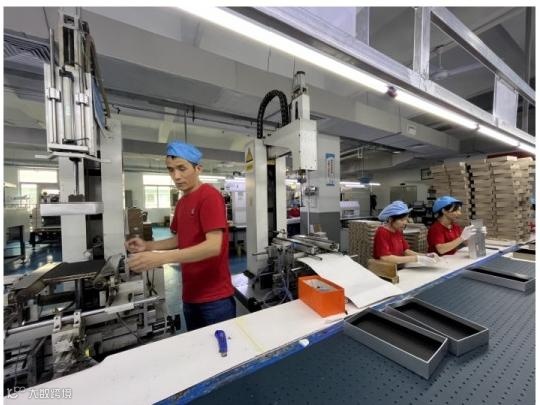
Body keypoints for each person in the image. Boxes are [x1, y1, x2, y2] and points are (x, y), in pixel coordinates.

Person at [125, 140, 235, 331]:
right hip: (190, 295)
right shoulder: (183, 202)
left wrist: (160, 258)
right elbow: (181, 239)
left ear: (198, 169)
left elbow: (213, 246)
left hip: (215, 299)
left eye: (182, 168)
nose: (176, 176)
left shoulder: (209, 196)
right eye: (171, 170)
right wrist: (148, 246)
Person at [373, 200, 439, 266]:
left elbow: (406, 251)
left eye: (406, 219)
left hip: (399, 268)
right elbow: (385, 258)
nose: (405, 223)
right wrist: (416, 258)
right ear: (390, 219)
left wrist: (425, 256)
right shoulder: (382, 232)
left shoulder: (398, 231)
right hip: (386, 270)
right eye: (402, 220)